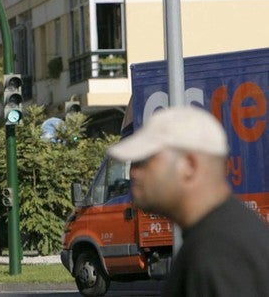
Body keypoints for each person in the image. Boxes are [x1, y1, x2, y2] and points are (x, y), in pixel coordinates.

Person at [107, 106, 269, 296]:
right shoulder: (225, 234)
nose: (133, 172)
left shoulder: (220, 252)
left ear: (189, 165)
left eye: (144, 161)